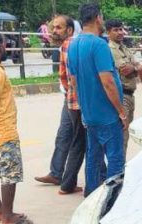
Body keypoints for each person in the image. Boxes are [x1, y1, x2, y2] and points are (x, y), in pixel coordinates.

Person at [68, 4, 126, 197]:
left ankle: (91, 195)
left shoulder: (73, 44)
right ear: (97, 18)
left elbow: (74, 81)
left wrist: (84, 108)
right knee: (115, 159)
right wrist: (121, 110)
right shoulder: (99, 45)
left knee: (93, 157)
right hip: (107, 114)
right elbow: (108, 82)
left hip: (90, 114)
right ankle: (111, 200)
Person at [0, 30, 32, 224]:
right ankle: (8, 217)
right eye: (4, 43)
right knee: (9, 173)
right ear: (0, 46)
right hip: (2, 131)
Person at [53, 15, 85, 196]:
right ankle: (66, 184)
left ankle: (66, 182)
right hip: (78, 102)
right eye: (54, 27)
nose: (54, 31)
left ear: (70, 29)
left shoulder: (68, 44)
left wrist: (70, 92)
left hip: (72, 100)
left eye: (59, 27)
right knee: (81, 142)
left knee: (77, 141)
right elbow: (67, 76)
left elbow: (64, 76)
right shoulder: (72, 43)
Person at [106, 19, 140, 153]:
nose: (120, 32)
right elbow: (125, 69)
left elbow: (140, 67)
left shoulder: (124, 48)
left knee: (125, 136)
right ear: (108, 32)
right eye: (116, 30)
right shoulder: (111, 49)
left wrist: (135, 68)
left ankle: (120, 168)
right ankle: (118, 170)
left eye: (121, 29)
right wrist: (136, 67)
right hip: (122, 95)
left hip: (130, 95)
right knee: (121, 136)